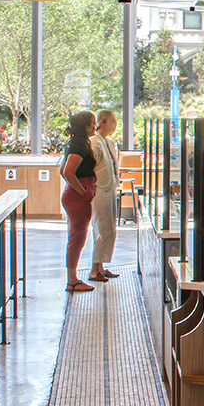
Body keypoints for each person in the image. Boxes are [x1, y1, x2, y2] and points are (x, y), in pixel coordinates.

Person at [57, 111, 98, 293]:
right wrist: (82, 191)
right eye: (93, 123)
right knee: (77, 237)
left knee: (77, 236)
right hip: (77, 196)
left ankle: (72, 279)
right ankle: (72, 280)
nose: (95, 127)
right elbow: (67, 171)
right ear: (85, 126)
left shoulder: (77, 142)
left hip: (76, 193)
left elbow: (62, 170)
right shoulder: (79, 144)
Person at [87, 109, 121, 282]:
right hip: (99, 190)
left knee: (109, 228)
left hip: (109, 188)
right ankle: (94, 268)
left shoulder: (108, 143)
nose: (114, 124)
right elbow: (90, 166)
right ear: (103, 121)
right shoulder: (95, 143)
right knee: (101, 227)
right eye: (112, 120)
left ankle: (101, 265)